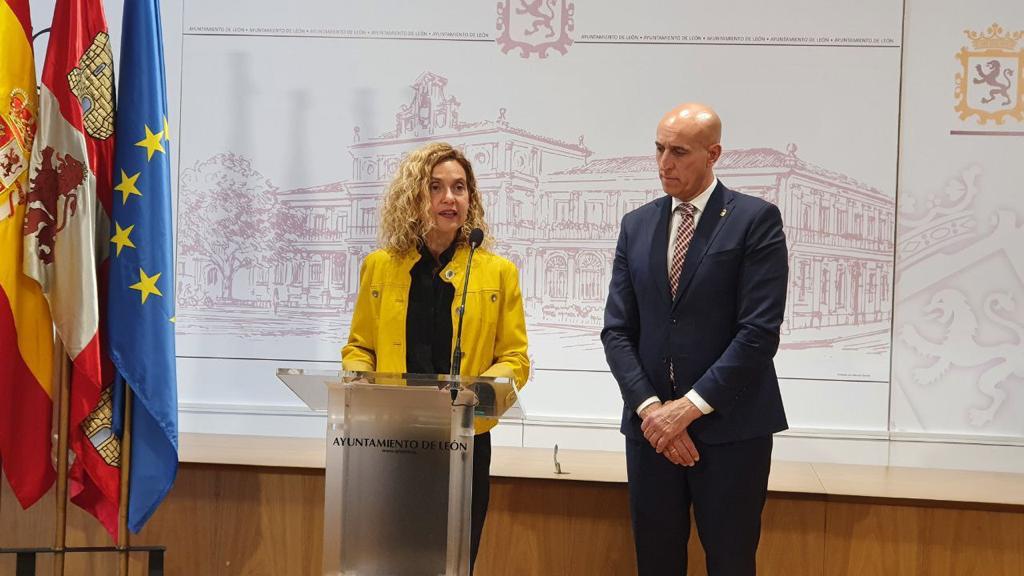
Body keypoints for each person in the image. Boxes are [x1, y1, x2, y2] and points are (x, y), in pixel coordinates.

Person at [601, 103, 789, 576]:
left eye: (679, 152)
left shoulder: (754, 220)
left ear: (713, 154)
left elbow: (758, 333)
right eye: (659, 149)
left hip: (730, 432)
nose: (665, 163)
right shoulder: (636, 225)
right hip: (651, 434)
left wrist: (686, 409)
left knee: (730, 562)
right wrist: (651, 411)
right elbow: (617, 330)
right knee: (656, 562)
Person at [342, 141, 530, 571]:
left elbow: (515, 357)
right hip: (392, 438)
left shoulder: (497, 272)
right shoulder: (380, 265)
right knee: (392, 557)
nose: (450, 198)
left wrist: (474, 396)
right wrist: (358, 379)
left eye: (460, 188)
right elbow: (359, 347)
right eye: (436, 187)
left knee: (455, 560)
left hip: (464, 437)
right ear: (414, 197)